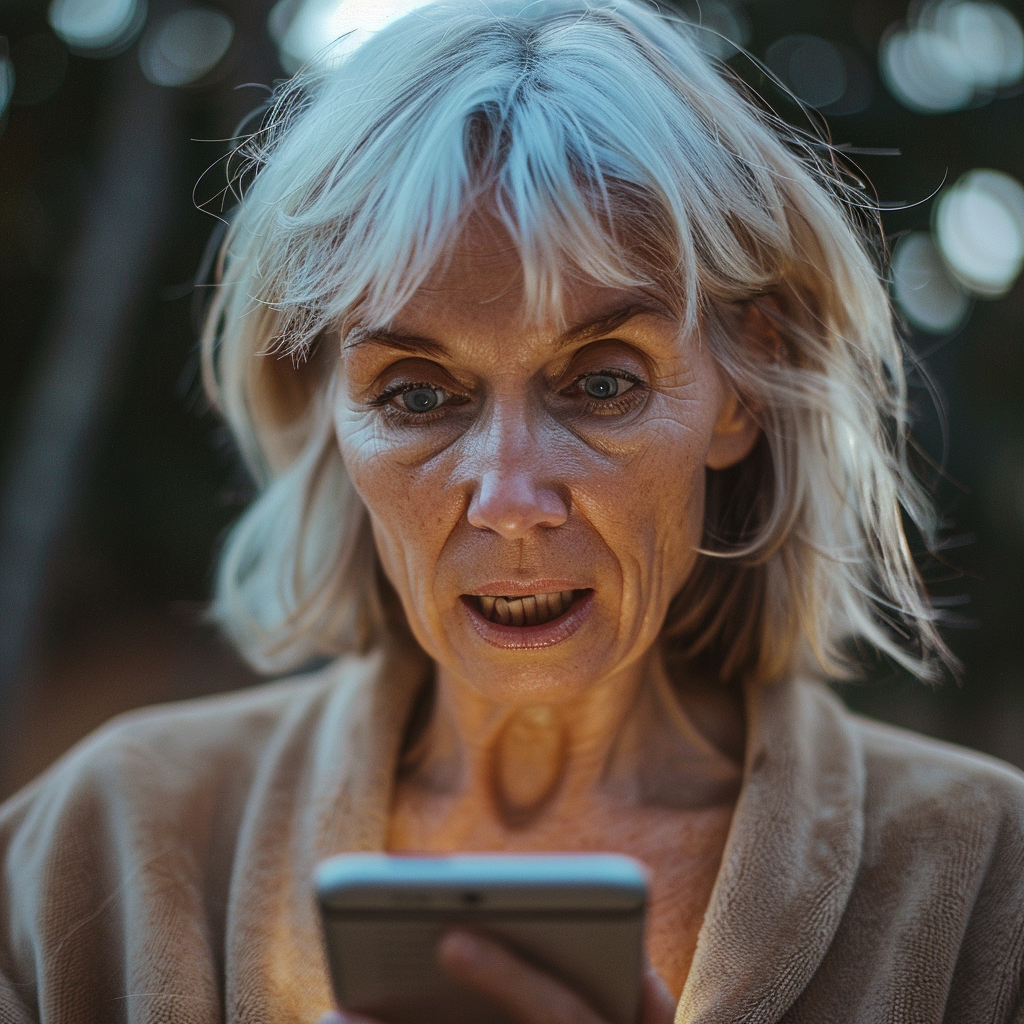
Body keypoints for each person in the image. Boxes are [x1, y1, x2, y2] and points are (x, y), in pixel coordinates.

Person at [3, 1, 1024, 1021]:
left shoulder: (984, 880)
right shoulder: (96, 853)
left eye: (602, 384)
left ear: (747, 380)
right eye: (416, 395)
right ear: (322, 406)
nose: (510, 502)